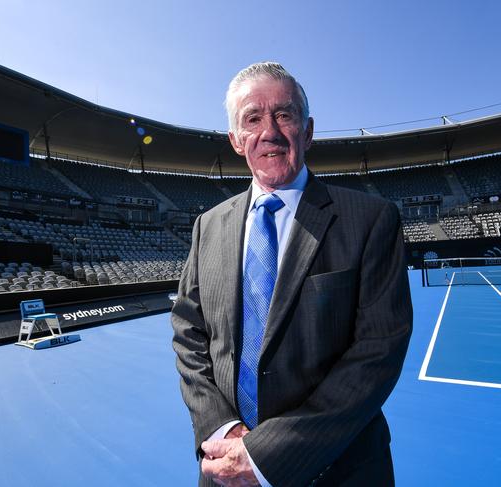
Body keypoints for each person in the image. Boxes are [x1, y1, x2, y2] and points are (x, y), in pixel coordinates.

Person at [171, 62, 413, 487]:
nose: (269, 131)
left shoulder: (370, 220)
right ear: (235, 139)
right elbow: (189, 332)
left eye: (284, 114)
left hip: (336, 470)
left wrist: (267, 455)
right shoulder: (206, 226)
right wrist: (223, 430)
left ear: (308, 130)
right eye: (252, 118)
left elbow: (378, 349)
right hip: (225, 468)